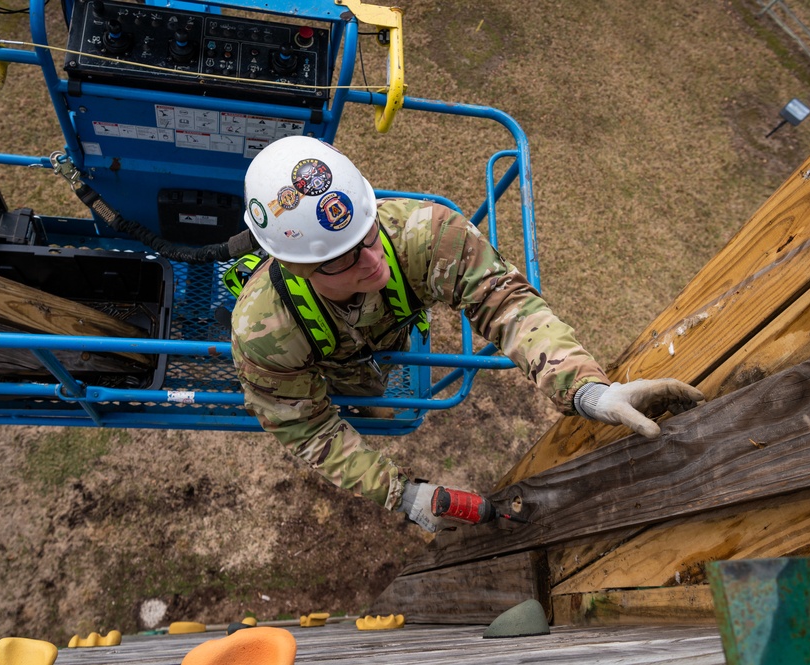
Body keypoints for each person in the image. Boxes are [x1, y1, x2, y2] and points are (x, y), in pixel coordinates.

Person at [229, 135, 704, 532]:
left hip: (378, 343)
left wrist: (588, 390)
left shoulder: (424, 234)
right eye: (343, 259)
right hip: (330, 365)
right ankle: (367, 393)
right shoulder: (265, 333)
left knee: (377, 389)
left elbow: (506, 303)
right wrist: (401, 494)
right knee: (361, 395)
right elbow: (307, 426)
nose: (374, 264)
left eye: (369, 235)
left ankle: (373, 391)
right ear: (296, 267)